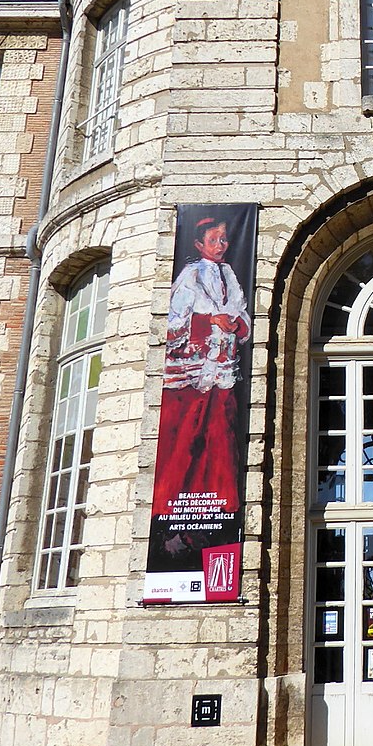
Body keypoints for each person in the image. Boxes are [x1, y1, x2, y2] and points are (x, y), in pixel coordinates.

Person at [151, 217, 251, 520]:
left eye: (223, 239)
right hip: (192, 373)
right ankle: (169, 507)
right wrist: (209, 320)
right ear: (198, 244)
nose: (220, 246)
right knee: (185, 436)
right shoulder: (190, 275)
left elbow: (239, 307)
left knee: (219, 433)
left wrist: (237, 323)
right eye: (213, 240)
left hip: (221, 367)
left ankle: (221, 502)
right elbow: (175, 321)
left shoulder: (229, 273)